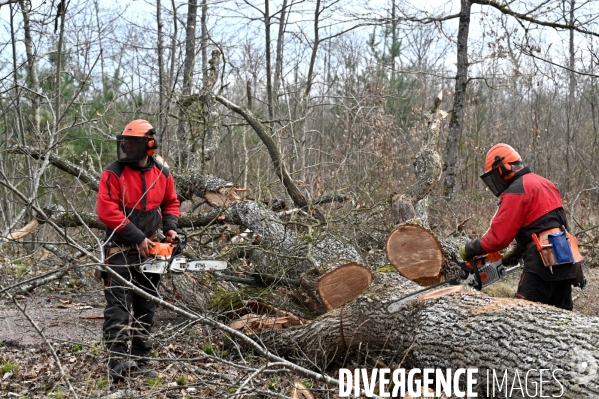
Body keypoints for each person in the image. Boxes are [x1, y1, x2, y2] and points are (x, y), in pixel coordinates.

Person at [97, 119, 180, 380]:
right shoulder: (113, 173)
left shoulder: (162, 173)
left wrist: (171, 227)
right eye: (125, 142)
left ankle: (142, 359)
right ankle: (118, 362)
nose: (128, 148)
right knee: (118, 307)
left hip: (151, 248)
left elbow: (171, 202)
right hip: (120, 248)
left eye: (133, 143)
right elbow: (107, 211)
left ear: (149, 145)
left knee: (147, 305)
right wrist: (136, 237)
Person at [459, 143, 584, 311]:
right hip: (565, 258)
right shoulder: (546, 183)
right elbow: (553, 224)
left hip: (542, 262)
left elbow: (498, 238)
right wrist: (518, 251)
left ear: (502, 167)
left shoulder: (517, 190)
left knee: (522, 313)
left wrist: (469, 249)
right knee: (562, 317)